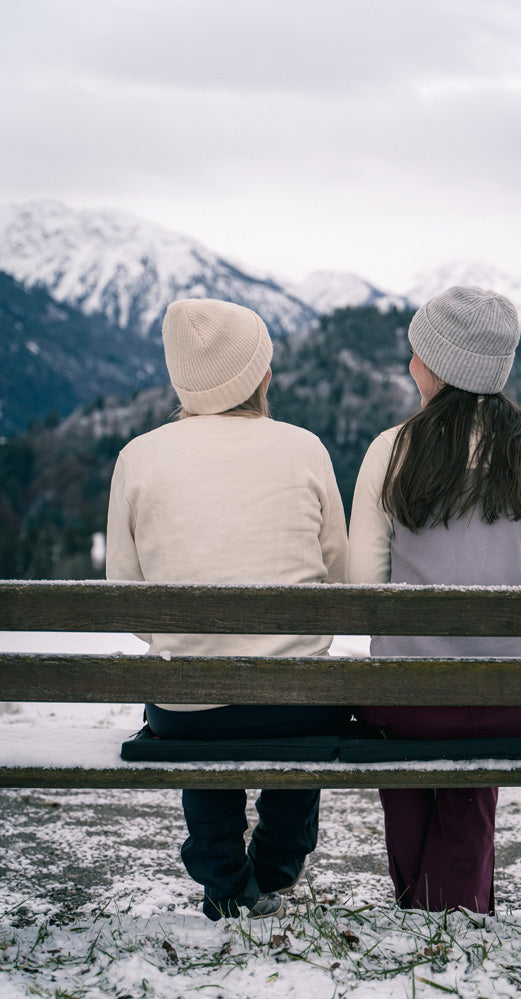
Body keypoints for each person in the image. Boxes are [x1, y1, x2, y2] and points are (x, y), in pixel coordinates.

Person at [106, 297, 348, 921]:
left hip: (189, 708)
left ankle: (222, 872)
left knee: (192, 691)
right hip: (298, 704)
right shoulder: (305, 448)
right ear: (262, 376)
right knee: (302, 704)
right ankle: (275, 865)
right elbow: (340, 585)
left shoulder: (138, 455)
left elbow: (129, 603)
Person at [347, 286, 521, 914]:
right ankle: (454, 905)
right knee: (475, 723)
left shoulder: (389, 452)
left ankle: (435, 911)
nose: (409, 367)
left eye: (417, 354)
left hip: (409, 703)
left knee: (409, 718)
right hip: (517, 703)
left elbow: (364, 591)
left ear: (443, 366)